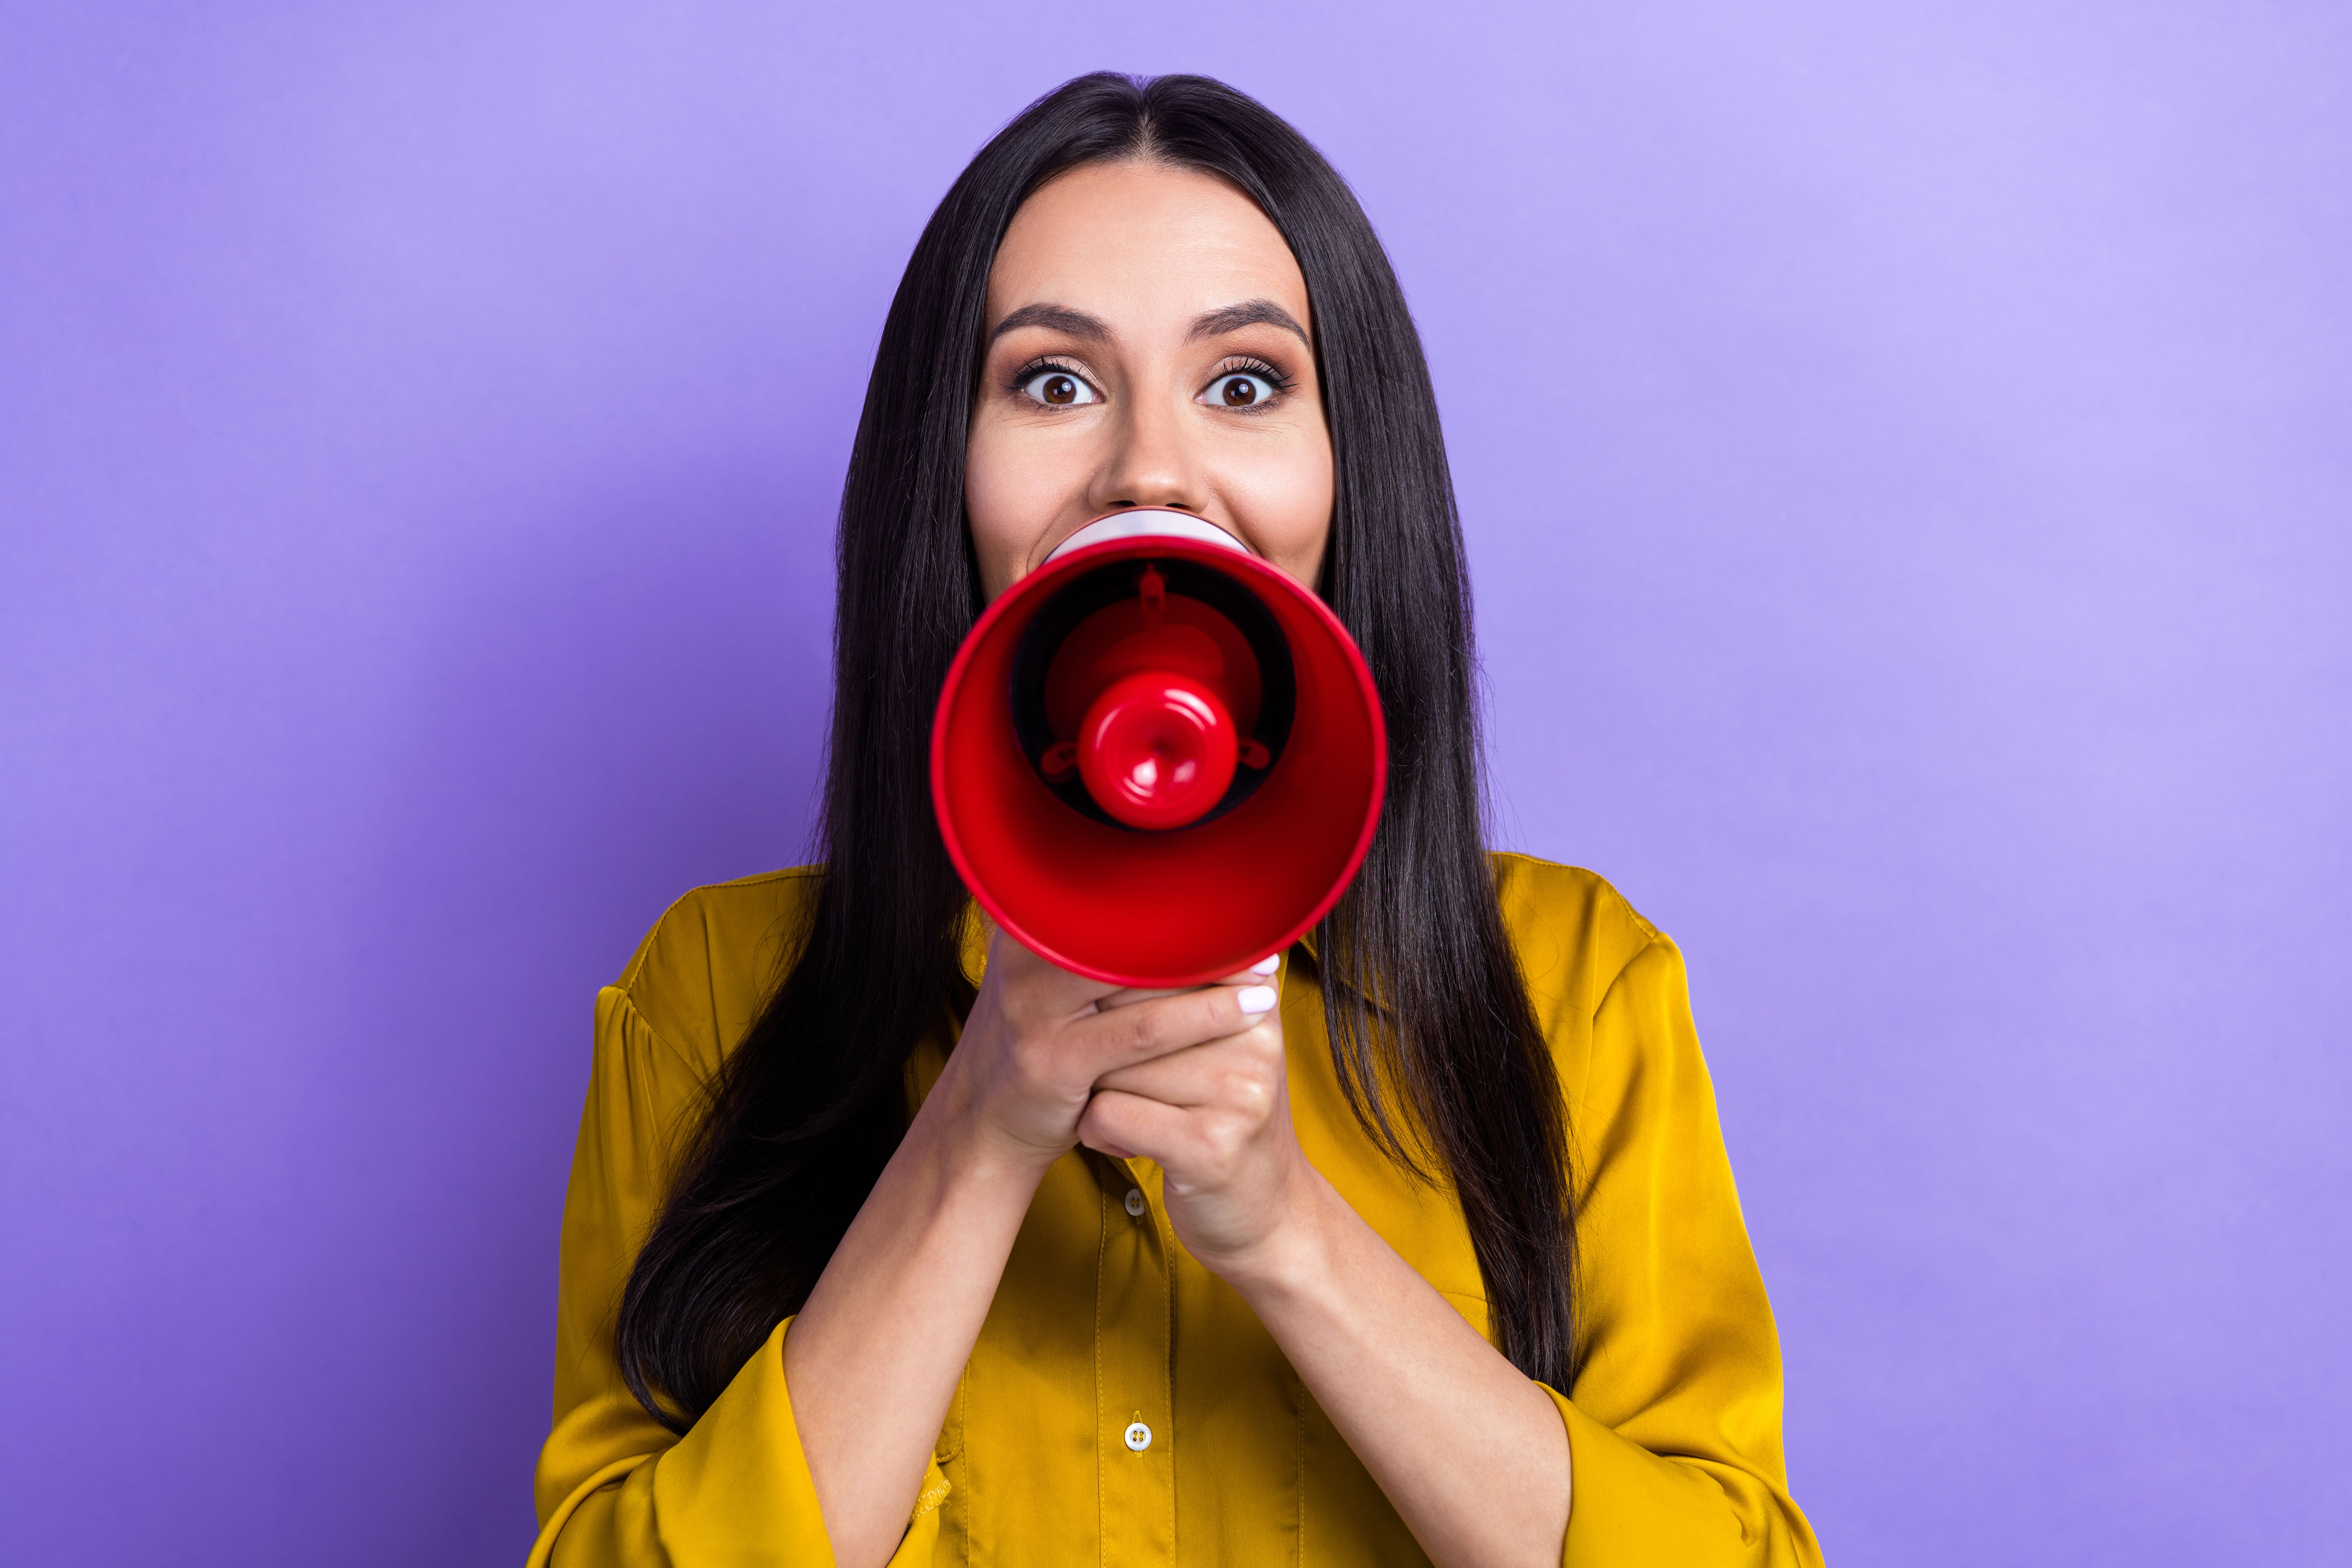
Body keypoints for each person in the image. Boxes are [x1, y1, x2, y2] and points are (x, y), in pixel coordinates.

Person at [529, 72, 1822, 1568]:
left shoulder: (1576, 986)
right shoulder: (713, 995)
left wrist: (1285, 1232)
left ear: (1353, 469)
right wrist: (981, 1129)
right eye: (1054, 383)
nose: (1150, 470)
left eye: (1248, 384)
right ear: (943, 471)